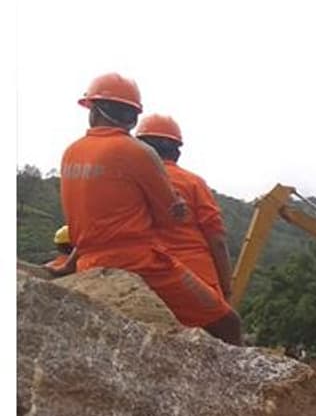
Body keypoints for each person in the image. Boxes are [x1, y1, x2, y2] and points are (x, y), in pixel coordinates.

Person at [57, 73, 242, 345]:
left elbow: (88, 223)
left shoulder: (71, 152)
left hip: (89, 261)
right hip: (140, 262)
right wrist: (227, 289)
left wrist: (69, 264)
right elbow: (175, 217)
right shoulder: (141, 156)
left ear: (93, 109)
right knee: (229, 324)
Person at [135, 114, 233, 297]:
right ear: (176, 151)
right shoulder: (194, 183)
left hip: (148, 282)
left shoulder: (130, 182)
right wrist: (227, 289)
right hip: (197, 280)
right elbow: (217, 241)